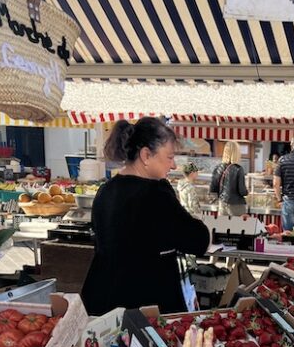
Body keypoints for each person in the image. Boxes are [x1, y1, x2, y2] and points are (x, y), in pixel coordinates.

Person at [81, 118, 210, 315]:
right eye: (169, 157)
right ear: (146, 155)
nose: (174, 165)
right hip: (144, 307)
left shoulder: (105, 190)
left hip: (101, 302)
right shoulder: (156, 193)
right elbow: (198, 241)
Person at [210, 141, 248, 217]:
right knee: (237, 228)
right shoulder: (238, 169)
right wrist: (247, 192)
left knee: (222, 227)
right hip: (237, 206)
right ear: (236, 153)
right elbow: (242, 191)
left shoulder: (218, 168)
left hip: (222, 204)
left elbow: (213, 188)